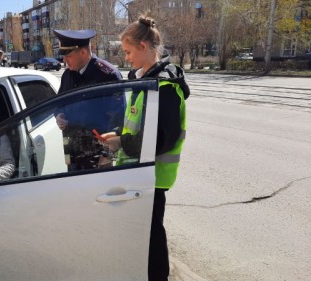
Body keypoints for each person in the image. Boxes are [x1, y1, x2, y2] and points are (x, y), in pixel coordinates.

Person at [100, 15, 190, 280]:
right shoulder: (145, 81)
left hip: (153, 175)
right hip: (139, 170)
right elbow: (139, 127)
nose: (126, 57)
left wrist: (121, 142)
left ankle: (157, 276)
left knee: (151, 234)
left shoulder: (165, 86)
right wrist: (118, 135)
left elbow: (164, 139)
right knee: (142, 232)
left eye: (128, 51)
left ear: (142, 46)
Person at [52, 29, 124, 171]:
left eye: (68, 56)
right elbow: (59, 104)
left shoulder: (107, 76)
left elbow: (119, 121)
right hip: (72, 152)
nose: (64, 60)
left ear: (83, 53)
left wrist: (108, 156)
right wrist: (59, 115)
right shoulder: (68, 75)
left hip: (98, 157)